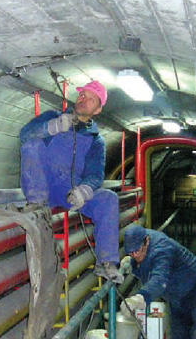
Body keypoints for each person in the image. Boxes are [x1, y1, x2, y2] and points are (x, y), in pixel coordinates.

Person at [19, 80, 121, 282]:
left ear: (98, 110)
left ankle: (106, 262)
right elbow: (24, 136)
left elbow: (95, 174)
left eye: (91, 99)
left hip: (69, 189)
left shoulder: (95, 140)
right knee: (32, 144)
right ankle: (37, 205)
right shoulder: (52, 117)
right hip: (42, 184)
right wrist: (53, 127)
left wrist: (84, 190)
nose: (83, 99)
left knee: (109, 198)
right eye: (82, 95)